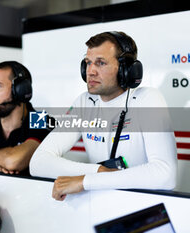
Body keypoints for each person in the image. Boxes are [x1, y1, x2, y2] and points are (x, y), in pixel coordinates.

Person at [29, 31, 177, 200]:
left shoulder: (147, 99)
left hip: (143, 208)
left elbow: (165, 174)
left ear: (126, 69)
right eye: (88, 63)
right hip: (100, 206)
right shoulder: (84, 103)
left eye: (100, 63)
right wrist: (97, 171)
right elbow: (38, 163)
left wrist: (85, 182)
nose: (90, 71)